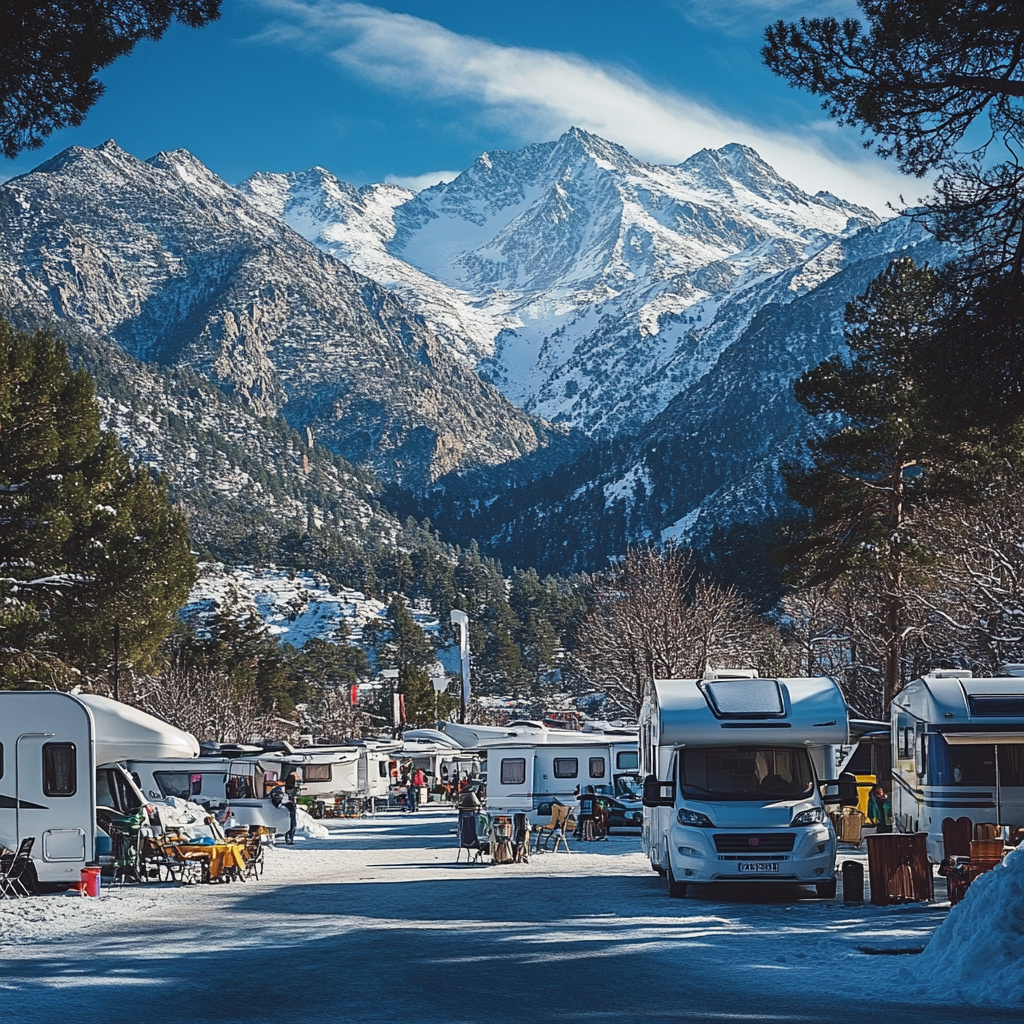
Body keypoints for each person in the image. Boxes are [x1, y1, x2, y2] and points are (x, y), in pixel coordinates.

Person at [284, 770, 300, 844]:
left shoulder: (284, 787)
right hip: (290, 805)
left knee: (288, 822)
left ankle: (288, 836)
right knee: (292, 823)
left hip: (284, 805)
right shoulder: (294, 789)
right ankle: (290, 837)